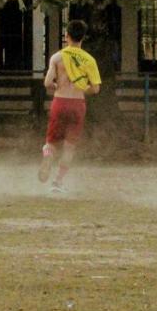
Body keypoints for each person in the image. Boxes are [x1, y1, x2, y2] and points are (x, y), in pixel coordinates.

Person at [39, 18, 102, 193]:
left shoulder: (57, 57)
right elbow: (96, 89)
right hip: (77, 104)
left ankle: (48, 155)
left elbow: (46, 83)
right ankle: (57, 183)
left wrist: (56, 85)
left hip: (59, 102)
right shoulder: (89, 60)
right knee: (69, 146)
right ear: (83, 37)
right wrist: (82, 89)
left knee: (51, 142)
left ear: (67, 36)